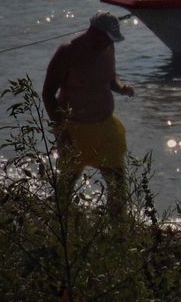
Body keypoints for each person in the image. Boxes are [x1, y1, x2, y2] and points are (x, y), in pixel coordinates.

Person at [42, 12, 133, 215]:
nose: (108, 43)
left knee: (118, 181)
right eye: (106, 38)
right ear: (93, 32)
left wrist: (121, 87)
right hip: (75, 128)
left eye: (111, 39)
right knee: (68, 181)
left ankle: (119, 229)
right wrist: (62, 130)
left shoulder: (109, 47)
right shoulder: (68, 52)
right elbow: (48, 94)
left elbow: (109, 79)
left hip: (105, 125)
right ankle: (60, 222)